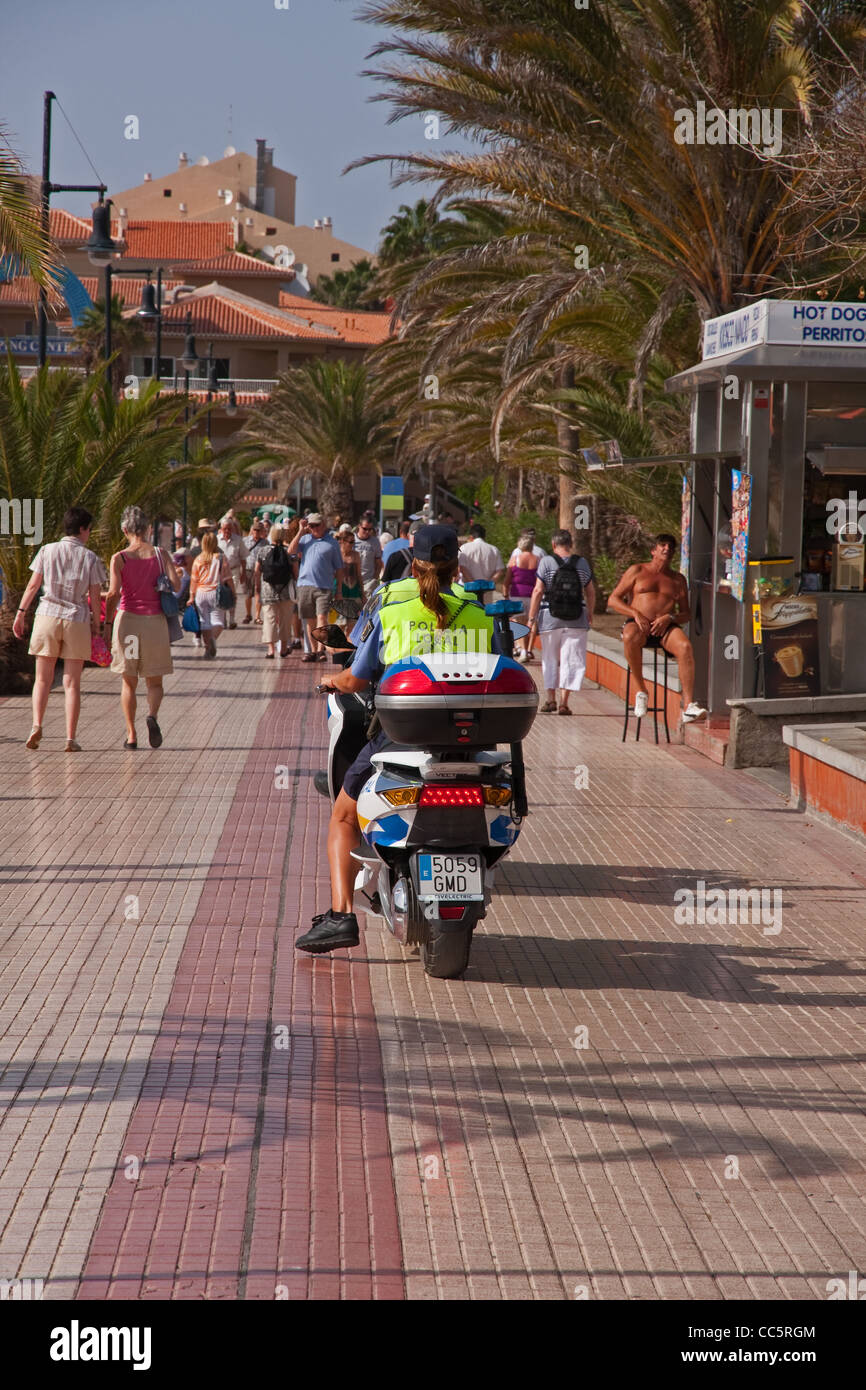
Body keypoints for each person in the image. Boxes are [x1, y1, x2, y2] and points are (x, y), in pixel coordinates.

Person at [295, 525, 499, 954]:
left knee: (343, 818)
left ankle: (340, 916)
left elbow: (356, 677)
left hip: (400, 740)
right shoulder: (479, 613)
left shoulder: (391, 609)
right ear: (456, 567)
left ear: (412, 561)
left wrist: (333, 680)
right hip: (469, 744)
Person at [13, 505, 107, 752]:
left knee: (42, 679)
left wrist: (20, 613)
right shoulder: (90, 558)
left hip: (47, 616)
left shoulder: (47, 550)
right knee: (72, 683)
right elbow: (95, 597)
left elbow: (33, 586)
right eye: (89, 530)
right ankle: (70, 738)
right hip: (76, 618)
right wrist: (98, 624)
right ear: (83, 529)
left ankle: (36, 724)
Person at [607, 533, 708, 723]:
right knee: (629, 636)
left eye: (670, 547)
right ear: (653, 550)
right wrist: (635, 613)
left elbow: (686, 614)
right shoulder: (637, 570)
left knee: (685, 647)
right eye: (662, 545)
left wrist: (669, 618)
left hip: (665, 628)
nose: (667, 549)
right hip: (638, 625)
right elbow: (613, 599)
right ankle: (642, 691)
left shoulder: (678, 579)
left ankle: (688, 706)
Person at [104, 505, 181, 749]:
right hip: (155, 624)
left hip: (128, 623)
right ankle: (153, 716)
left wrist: (106, 622)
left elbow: (114, 593)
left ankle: (131, 735)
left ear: (125, 530)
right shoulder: (160, 554)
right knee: (155, 682)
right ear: (148, 529)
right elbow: (177, 585)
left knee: (129, 682)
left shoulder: (120, 558)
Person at [526, 529, 595, 715]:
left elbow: (538, 591)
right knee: (572, 660)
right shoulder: (581, 563)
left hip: (550, 617)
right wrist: (590, 612)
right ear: (570, 544)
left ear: (553, 544)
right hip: (576, 618)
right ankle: (564, 702)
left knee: (550, 659)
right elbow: (590, 591)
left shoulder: (546, 562)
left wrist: (531, 618)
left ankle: (551, 699)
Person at [286, 512, 344, 662]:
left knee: (322, 617)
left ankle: (320, 650)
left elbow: (339, 569)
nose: (314, 528)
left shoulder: (332, 543)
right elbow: (290, 551)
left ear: (323, 525)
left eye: (317, 525)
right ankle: (312, 650)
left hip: (324, 587)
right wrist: (300, 531)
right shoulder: (305, 539)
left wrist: (339, 591)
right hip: (304, 585)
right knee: (308, 620)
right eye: (311, 526)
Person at [254, 524, 297, 658]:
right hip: (285, 590)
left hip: (268, 590)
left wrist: (257, 586)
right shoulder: (289, 552)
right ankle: (283, 648)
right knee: (285, 619)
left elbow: (257, 571)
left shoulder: (263, 550)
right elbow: (296, 572)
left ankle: (271, 649)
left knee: (269, 619)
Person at [189, 531, 234, 659]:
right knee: (218, 623)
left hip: (201, 593)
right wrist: (233, 592)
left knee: (204, 622)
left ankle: (207, 649)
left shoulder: (198, 559)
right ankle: (212, 640)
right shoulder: (220, 557)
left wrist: (191, 596)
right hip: (216, 593)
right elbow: (228, 577)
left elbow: (194, 580)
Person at [503, 532, 540, 661]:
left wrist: (506, 594)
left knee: (519, 623)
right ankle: (528, 649)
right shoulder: (538, 559)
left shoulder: (515, 559)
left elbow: (507, 580)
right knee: (531, 622)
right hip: (532, 595)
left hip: (517, 595)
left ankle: (523, 651)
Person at [218, 518, 245, 629]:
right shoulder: (216, 540)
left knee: (232, 594)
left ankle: (232, 619)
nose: (227, 531)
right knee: (222, 594)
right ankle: (223, 619)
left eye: (229, 528)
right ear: (221, 529)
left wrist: (243, 573)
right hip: (220, 572)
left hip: (234, 570)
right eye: (225, 529)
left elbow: (243, 558)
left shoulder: (238, 540)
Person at [334, 529, 363, 626]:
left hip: (353, 592)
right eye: (350, 542)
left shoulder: (356, 555)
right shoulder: (336, 555)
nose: (352, 544)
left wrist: (362, 594)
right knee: (339, 625)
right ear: (342, 541)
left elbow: (359, 575)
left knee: (352, 624)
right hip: (339, 592)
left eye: (353, 542)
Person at [243, 519, 268, 622]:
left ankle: (257, 616)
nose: (256, 532)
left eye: (258, 530)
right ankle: (248, 614)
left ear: (262, 531)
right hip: (248, 569)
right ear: (252, 530)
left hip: (260, 571)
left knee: (258, 592)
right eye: (255, 530)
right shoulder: (245, 541)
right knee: (248, 594)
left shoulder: (265, 542)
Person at [354, 515, 383, 601]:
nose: (367, 532)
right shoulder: (352, 540)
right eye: (365, 529)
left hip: (368, 582)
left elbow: (378, 562)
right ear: (359, 526)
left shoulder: (375, 542)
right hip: (353, 581)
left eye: (370, 529)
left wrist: (375, 578)